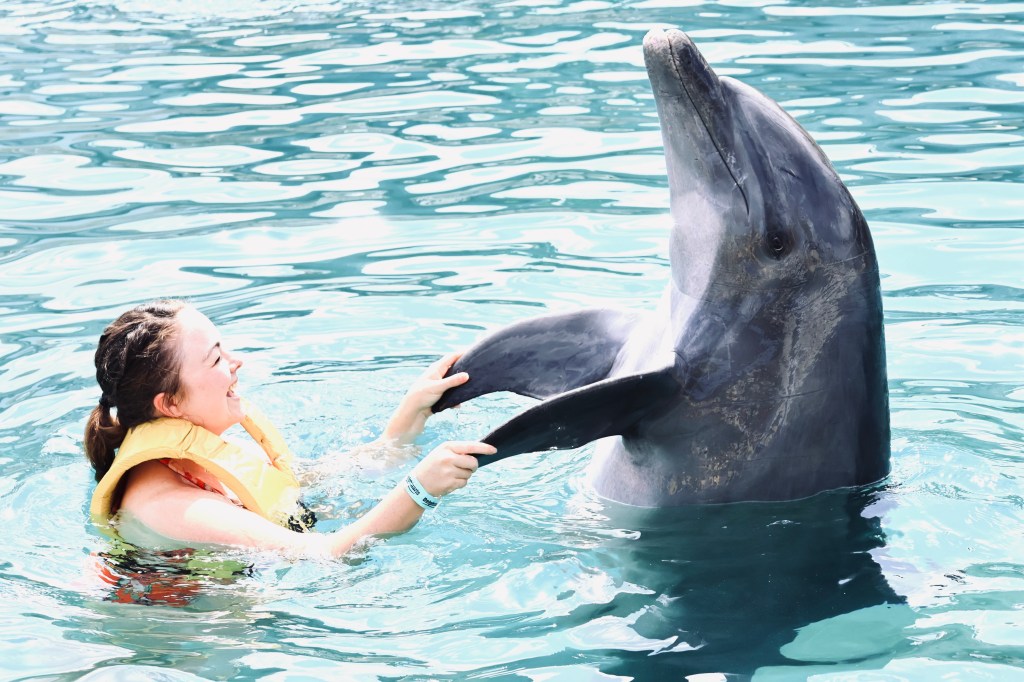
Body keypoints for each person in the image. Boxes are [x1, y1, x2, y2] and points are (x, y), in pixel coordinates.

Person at [84, 299, 495, 559]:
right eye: (215, 360)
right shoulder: (175, 505)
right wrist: (420, 490)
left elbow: (302, 487)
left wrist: (406, 421)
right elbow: (328, 556)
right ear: (171, 405)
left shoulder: (190, 458)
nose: (236, 361)